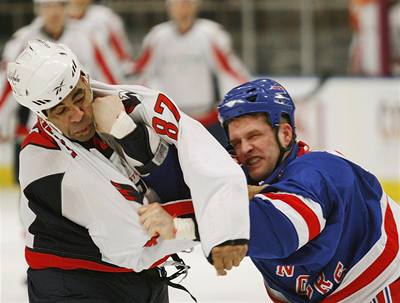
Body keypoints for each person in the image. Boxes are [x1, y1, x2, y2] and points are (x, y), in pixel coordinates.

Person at [7, 39, 249, 302]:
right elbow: (135, 240)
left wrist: (128, 132)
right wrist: (209, 222)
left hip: (142, 277)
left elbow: (201, 159)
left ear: (86, 79)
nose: (78, 115)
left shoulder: (135, 104)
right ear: (42, 115)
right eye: (60, 111)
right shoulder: (45, 162)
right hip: (71, 285)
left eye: (79, 97)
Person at [143, 78, 400, 302]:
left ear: (286, 134)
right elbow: (183, 187)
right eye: (236, 142)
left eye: (254, 136)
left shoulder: (320, 172)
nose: (245, 148)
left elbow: (277, 229)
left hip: (382, 285)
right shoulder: (244, 173)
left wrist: (183, 226)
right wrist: (128, 131)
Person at [0, 0, 126, 182]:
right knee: (42, 189)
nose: (54, 12)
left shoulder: (87, 37)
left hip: (85, 123)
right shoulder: (23, 41)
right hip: (43, 128)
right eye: (47, 6)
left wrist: (117, 105)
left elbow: (108, 76)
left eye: (59, 4)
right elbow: (8, 86)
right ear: (39, 9)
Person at [133, 0, 250, 146]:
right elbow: (141, 73)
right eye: (178, 4)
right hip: (171, 121)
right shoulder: (157, 36)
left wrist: (244, 99)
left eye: (187, 4)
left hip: (208, 119)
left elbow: (229, 70)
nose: (183, 9)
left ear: (196, 6)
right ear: (169, 8)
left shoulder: (211, 34)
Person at [68, 0, 135, 83]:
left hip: (113, 81)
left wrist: (126, 69)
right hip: (79, 84)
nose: (79, 2)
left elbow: (122, 50)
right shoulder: (60, 25)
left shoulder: (104, 16)